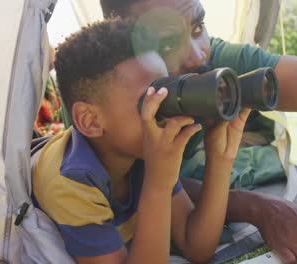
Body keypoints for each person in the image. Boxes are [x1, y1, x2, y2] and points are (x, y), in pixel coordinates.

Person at [99, 0, 297, 263]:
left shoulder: (218, 61)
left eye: (198, 28)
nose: (198, 55)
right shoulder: (100, 97)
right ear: (119, 40)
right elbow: (139, 181)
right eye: (167, 42)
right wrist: (255, 207)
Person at [32, 17, 251, 264]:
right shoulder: (69, 181)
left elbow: (196, 246)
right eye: (150, 100)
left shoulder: (140, 149)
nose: (167, 109)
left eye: (167, 89)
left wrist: (220, 159)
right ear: (90, 121)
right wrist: (158, 184)